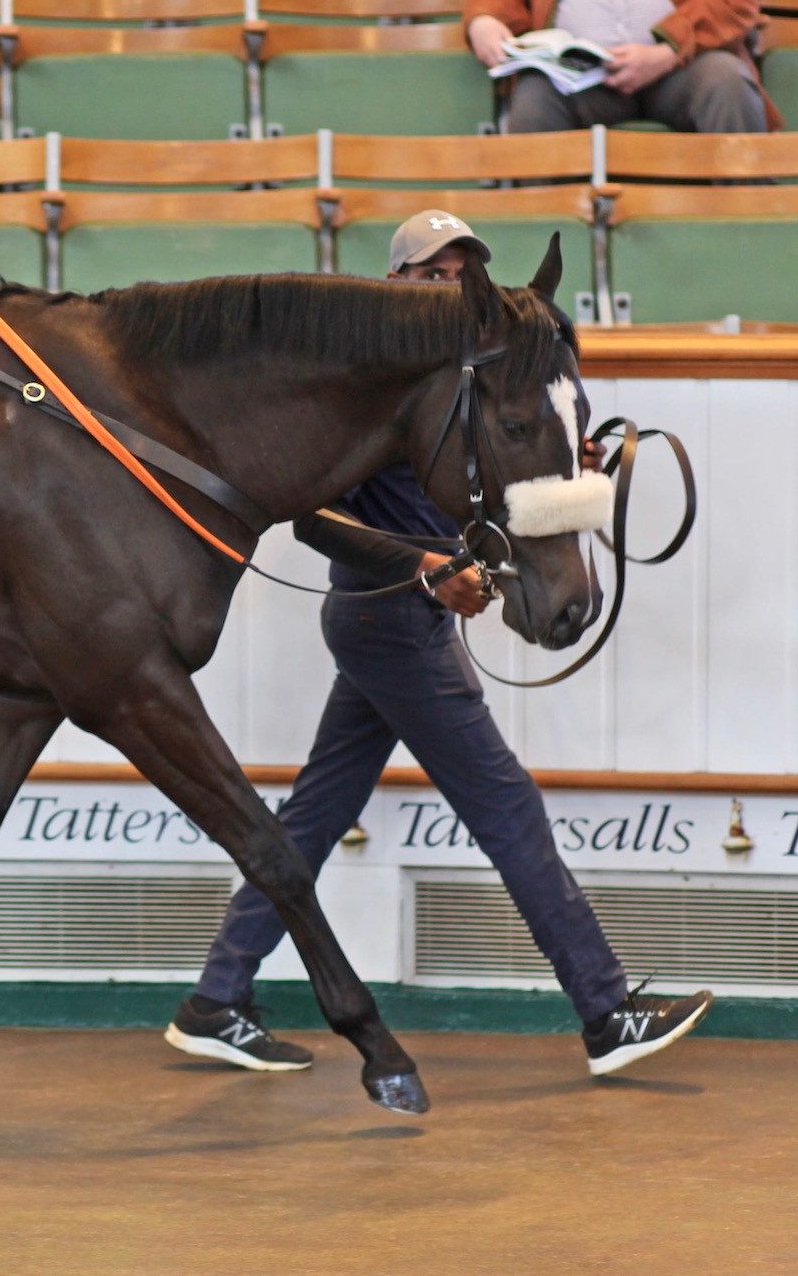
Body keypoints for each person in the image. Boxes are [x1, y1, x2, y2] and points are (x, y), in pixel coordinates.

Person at [164, 211, 714, 1080]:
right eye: (434, 273)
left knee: (311, 817)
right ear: (397, 284)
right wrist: (426, 570)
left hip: (393, 624)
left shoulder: (450, 384)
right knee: (507, 805)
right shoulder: (366, 390)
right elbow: (311, 519)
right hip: (390, 620)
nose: (453, 287)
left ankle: (215, 998)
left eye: (463, 273)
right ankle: (606, 1010)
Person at [465, 0, 780, 134]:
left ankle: (746, 223)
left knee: (726, 80)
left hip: (680, 66)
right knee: (534, 98)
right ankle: (547, 236)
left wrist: (669, 49)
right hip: (580, 78)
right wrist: (484, 19)